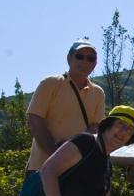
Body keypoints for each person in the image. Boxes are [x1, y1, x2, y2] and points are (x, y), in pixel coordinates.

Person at [25, 39, 105, 177]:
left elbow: (95, 127)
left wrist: (72, 153)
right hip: (42, 166)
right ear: (69, 58)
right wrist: (56, 154)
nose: (85, 61)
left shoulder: (98, 93)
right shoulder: (50, 83)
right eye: (80, 56)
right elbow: (35, 121)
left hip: (77, 169)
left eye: (90, 58)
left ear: (95, 64)